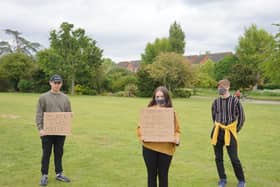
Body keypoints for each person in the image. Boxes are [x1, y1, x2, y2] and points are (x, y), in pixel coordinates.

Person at [137, 86, 180, 187]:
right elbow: (140, 128)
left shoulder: (171, 112)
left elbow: (177, 130)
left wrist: (177, 139)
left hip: (166, 149)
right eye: (157, 96)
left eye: (162, 96)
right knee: (151, 175)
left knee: (163, 176)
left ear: (166, 97)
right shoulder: (148, 111)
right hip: (149, 148)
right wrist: (142, 136)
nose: (159, 98)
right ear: (154, 97)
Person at [35, 74, 71, 186]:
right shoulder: (43, 97)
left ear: (61, 84)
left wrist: (68, 121)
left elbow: (68, 114)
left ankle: (59, 173)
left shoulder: (65, 98)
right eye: (55, 82)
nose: (57, 85)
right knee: (46, 153)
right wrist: (40, 128)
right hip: (46, 131)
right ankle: (44, 175)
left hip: (60, 131)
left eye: (59, 83)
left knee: (59, 152)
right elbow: (39, 114)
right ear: (50, 83)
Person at [211, 79, 246, 187]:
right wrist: (218, 127)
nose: (220, 88)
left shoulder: (235, 101)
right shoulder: (216, 102)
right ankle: (222, 179)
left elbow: (242, 117)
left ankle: (241, 180)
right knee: (218, 158)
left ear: (228, 87)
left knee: (234, 158)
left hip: (230, 132)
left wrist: (235, 130)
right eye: (219, 86)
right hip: (217, 132)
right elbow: (214, 117)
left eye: (222, 86)